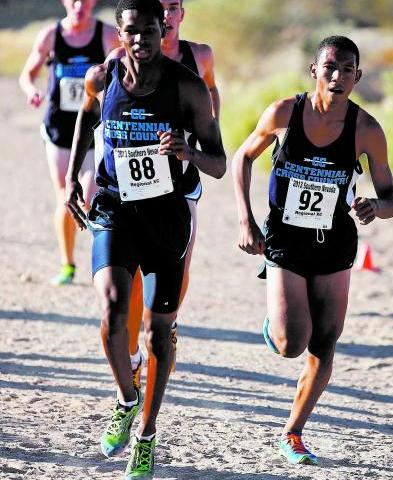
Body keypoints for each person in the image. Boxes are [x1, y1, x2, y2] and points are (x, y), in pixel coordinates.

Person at [65, 0, 226, 478]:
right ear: (119, 32)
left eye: (150, 30)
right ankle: (126, 398)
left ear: (164, 30)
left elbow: (218, 161)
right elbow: (86, 116)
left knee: (158, 333)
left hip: (165, 217)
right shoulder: (103, 75)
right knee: (113, 311)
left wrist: (187, 151)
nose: (141, 40)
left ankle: (147, 435)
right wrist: (74, 176)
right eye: (132, 31)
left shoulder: (188, 87)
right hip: (115, 207)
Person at [232, 35, 393, 465]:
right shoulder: (285, 113)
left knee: (325, 343)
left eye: (347, 69)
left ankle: (293, 432)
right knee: (292, 343)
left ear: (358, 77)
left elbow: (391, 200)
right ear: (314, 71)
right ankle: (276, 325)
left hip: (334, 244)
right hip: (285, 240)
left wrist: (374, 206)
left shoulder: (367, 130)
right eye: (330, 67)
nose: (338, 76)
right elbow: (243, 158)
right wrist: (246, 219)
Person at [108, 0, 222, 391]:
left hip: (180, 177)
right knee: (129, 277)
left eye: (173, 8)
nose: (168, 17)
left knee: (177, 264)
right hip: (128, 187)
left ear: (177, 16)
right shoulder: (116, 62)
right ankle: (137, 351)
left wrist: (193, 140)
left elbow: (211, 101)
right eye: (162, 9)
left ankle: (165, 322)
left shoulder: (198, 56)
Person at [19, 0, 118, 285]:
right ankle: (67, 263)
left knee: (88, 195)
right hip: (60, 131)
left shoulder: (107, 34)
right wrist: (32, 91)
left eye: (85, 1)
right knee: (65, 195)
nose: (79, 6)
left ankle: (104, 262)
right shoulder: (51, 35)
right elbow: (29, 74)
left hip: (93, 128)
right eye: (74, 0)